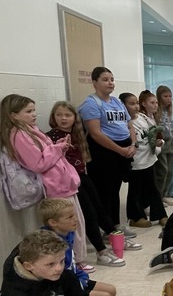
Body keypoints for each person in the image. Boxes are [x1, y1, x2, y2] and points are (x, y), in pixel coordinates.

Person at [0, 94, 86, 261]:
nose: (33, 114)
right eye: (28, 111)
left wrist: (57, 146)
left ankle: (76, 261)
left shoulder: (31, 130)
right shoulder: (19, 135)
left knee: (77, 224)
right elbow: (38, 163)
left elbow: (46, 152)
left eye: (34, 110)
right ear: (13, 115)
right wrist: (58, 148)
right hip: (55, 187)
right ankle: (72, 262)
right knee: (67, 226)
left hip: (64, 183)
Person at [47, 100, 124, 268]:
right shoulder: (52, 136)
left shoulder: (78, 134)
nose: (63, 118)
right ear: (53, 117)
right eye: (59, 115)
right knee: (88, 215)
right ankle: (101, 252)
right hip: (69, 181)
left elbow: (81, 158)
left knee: (99, 209)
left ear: (75, 117)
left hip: (82, 176)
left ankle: (116, 237)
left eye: (67, 115)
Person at [77, 67, 137, 231]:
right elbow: (96, 134)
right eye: (105, 79)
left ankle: (115, 224)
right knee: (104, 191)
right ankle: (107, 228)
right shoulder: (91, 104)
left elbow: (129, 125)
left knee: (115, 189)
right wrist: (120, 150)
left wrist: (133, 144)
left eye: (112, 79)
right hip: (104, 152)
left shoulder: (117, 102)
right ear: (94, 82)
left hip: (123, 150)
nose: (110, 83)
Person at [38, 198, 116, 296]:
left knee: (112, 290)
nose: (76, 219)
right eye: (70, 217)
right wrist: (78, 285)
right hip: (65, 287)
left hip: (75, 278)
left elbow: (71, 264)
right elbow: (58, 277)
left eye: (74, 215)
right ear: (53, 222)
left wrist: (82, 277)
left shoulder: (68, 232)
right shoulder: (50, 244)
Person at [125, 90, 167, 229]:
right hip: (136, 160)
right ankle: (135, 217)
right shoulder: (127, 122)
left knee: (152, 189)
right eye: (131, 104)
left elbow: (152, 136)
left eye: (136, 103)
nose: (136, 106)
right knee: (135, 190)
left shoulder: (143, 118)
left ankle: (160, 214)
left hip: (148, 159)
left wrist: (158, 144)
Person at [153, 85, 173, 199]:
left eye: (170, 96)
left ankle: (163, 195)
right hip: (161, 142)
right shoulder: (156, 110)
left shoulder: (168, 110)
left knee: (170, 170)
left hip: (170, 141)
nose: (168, 99)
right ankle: (158, 197)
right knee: (163, 170)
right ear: (159, 97)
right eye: (165, 96)